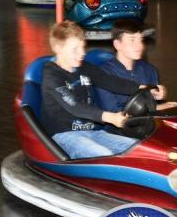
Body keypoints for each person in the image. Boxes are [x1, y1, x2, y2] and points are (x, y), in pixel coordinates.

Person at [41, 21, 145, 160]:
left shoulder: (83, 67)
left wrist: (141, 88)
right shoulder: (52, 76)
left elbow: (110, 82)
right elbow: (75, 106)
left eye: (83, 47)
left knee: (139, 148)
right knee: (106, 156)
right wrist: (110, 117)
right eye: (75, 49)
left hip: (92, 131)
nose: (82, 53)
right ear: (58, 48)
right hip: (64, 134)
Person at [97, 19, 177, 113]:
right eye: (132, 40)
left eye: (141, 40)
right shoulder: (103, 74)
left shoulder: (149, 70)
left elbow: (158, 104)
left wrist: (160, 96)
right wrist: (155, 108)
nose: (139, 45)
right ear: (117, 44)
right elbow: (112, 112)